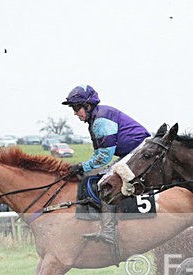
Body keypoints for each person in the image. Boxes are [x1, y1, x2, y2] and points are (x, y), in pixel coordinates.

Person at [61, 84, 150, 253]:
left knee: (105, 182)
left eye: (75, 108)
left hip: (140, 153)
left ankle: (109, 230)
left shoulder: (101, 120)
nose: (74, 113)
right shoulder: (95, 118)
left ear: (87, 106)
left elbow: (104, 157)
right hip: (135, 151)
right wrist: (84, 167)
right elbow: (100, 155)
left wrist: (81, 167)